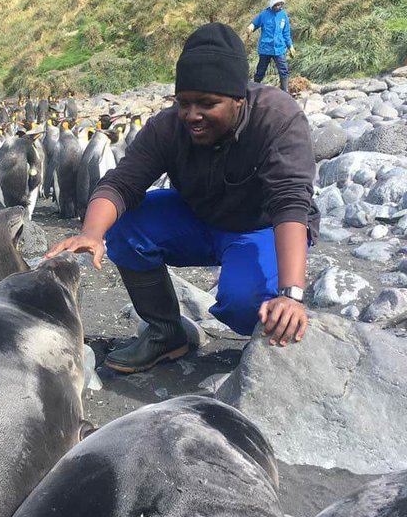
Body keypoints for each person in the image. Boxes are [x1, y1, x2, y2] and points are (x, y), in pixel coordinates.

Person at [46, 23, 317, 374]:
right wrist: (92, 233)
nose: (192, 115)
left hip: (262, 226)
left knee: (247, 304)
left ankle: (269, 349)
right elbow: (121, 183)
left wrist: (291, 294)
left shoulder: (277, 118)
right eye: (184, 103)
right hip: (199, 218)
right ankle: (166, 332)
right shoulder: (168, 127)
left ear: (239, 99)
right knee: (126, 225)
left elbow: (291, 202)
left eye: (207, 104)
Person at [246, 0, 295, 93]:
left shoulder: (283, 15)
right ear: (272, 4)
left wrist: (290, 46)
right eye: (276, 5)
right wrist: (251, 27)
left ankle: (284, 91)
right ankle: (254, 89)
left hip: (279, 48)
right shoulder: (264, 15)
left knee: (283, 71)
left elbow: (286, 33)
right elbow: (255, 23)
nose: (278, 7)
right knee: (260, 71)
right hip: (265, 48)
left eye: (280, 4)